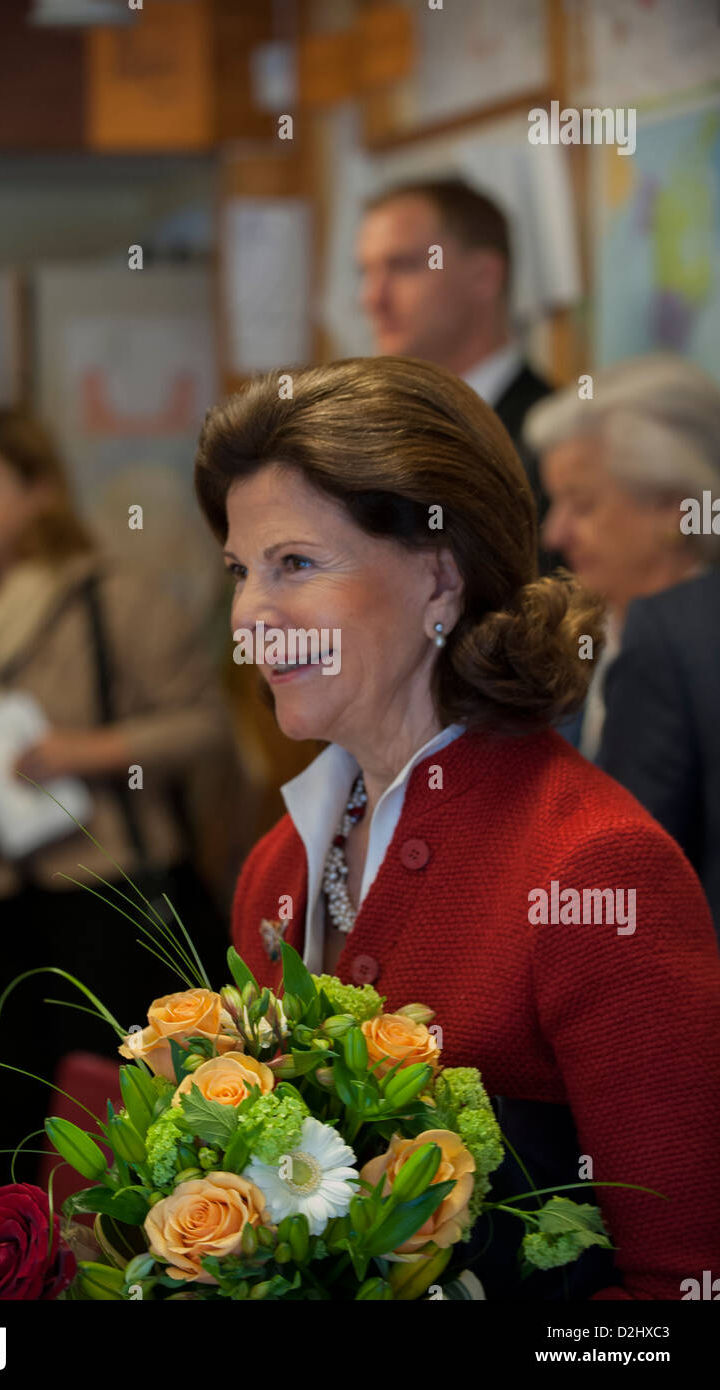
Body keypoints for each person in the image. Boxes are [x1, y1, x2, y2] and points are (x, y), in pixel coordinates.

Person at [193, 355, 720, 1301]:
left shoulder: (596, 870)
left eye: (295, 564)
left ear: (440, 577)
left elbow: (684, 1287)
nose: (249, 617)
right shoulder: (275, 868)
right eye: (241, 570)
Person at [0, 408, 230, 1181]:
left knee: (118, 1139)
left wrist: (86, 752)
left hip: (104, 898)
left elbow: (203, 726)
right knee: (9, 1133)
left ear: (39, 493)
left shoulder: (113, 598)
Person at [524, 354, 720, 759]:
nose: (554, 535)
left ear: (672, 510)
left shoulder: (705, 666)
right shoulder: (572, 645)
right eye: (554, 503)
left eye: (582, 505)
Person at [356, 177, 556, 565]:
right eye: (365, 272)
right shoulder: (374, 437)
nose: (372, 298)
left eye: (404, 266)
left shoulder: (552, 445)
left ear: (484, 277)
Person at [598, 568, 720, 939]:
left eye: (586, 507)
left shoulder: (674, 631)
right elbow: (631, 872)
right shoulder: (677, 632)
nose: (554, 534)